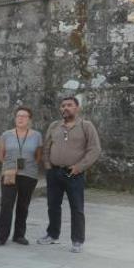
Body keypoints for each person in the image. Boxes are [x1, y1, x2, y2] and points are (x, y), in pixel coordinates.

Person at [39, 96, 101, 253]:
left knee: (77, 207)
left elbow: (94, 149)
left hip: (74, 174)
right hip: (54, 172)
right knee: (52, 205)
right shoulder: (54, 126)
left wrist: (80, 167)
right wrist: (47, 165)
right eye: (63, 105)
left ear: (77, 108)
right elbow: (46, 147)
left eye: (69, 105)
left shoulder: (86, 126)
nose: (65, 108)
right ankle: (52, 235)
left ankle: (77, 240)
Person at [0, 107, 43, 248]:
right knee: (6, 205)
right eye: (18, 116)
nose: (20, 118)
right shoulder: (6, 135)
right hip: (9, 174)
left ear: (29, 119)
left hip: (29, 174)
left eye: (24, 116)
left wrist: (27, 166)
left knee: (23, 205)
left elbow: (38, 156)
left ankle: (19, 235)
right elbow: (1, 155)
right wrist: (10, 167)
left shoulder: (36, 135)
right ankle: (0, 237)